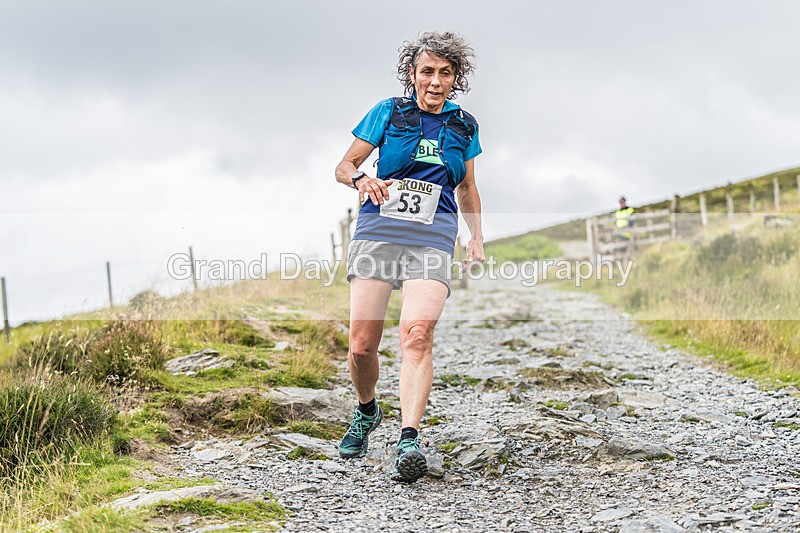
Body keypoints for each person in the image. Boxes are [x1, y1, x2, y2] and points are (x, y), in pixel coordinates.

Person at [333, 31, 484, 483]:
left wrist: (476, 237)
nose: (435, 81)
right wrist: (361, 180)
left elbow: (467, 186)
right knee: (361, 347)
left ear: (455, 79)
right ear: (412, 74)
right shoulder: (388, 111)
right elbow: (343, 166)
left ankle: (409, 439)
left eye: (445, 73)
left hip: (434, 235)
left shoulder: (464, 125)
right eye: (427, 72)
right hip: (379, 229)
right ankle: (367, 410)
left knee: (417, 334)